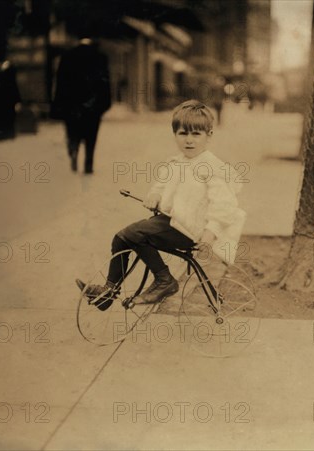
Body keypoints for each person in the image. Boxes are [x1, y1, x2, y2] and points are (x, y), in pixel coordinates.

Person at [76, 100, 246, 311]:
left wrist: (211, 233)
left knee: (135, 233)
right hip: (171, 222)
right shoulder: (175, 162)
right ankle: (108, 292)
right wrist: (155, 195)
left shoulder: (212, 167)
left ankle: (164, 279)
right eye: (183, 134)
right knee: (121, 237)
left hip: (191, 229)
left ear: (209, 135)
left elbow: (224, 205)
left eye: (196, 134)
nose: (189, 141)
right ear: (174, 134)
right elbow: (161, 185)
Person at [51, 37, 111, 174]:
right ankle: (88, 163)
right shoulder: (100, 57)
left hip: (71, 105)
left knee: (72, 131)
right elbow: (105, 84)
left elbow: (61, 84)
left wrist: (59, 105)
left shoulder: (67, 56)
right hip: (92, 105)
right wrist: (104, 104)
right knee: (91, 135)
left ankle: (73, 149)